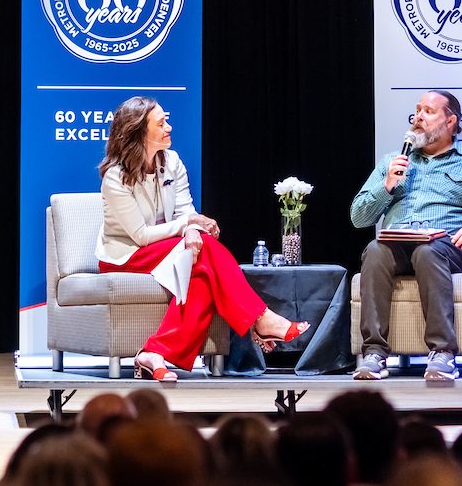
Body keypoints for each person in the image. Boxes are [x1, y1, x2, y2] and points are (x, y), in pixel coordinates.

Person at [96, 96, 307, 382]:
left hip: (168, 247)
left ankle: (153, 354)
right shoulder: (115, 178)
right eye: (161, 123)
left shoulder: (171, 161)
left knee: (202, 274)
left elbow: (185, 210)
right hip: (127, 255)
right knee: (205, 248)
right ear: (139, 132)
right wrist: (189, 227)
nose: (169, 127)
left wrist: (193, 228)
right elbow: (141, 235)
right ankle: (261, 319)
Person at [349, 90, 462, 381]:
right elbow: (359, 218)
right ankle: (374, 353)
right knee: (376, 248)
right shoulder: (394, 161)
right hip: (398, 246)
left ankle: (442, 353)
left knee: (429, 250)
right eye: (417, 110)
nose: (418, 118)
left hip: (448, 249)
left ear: (450, 121)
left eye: (428, 111)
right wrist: (386, 185)